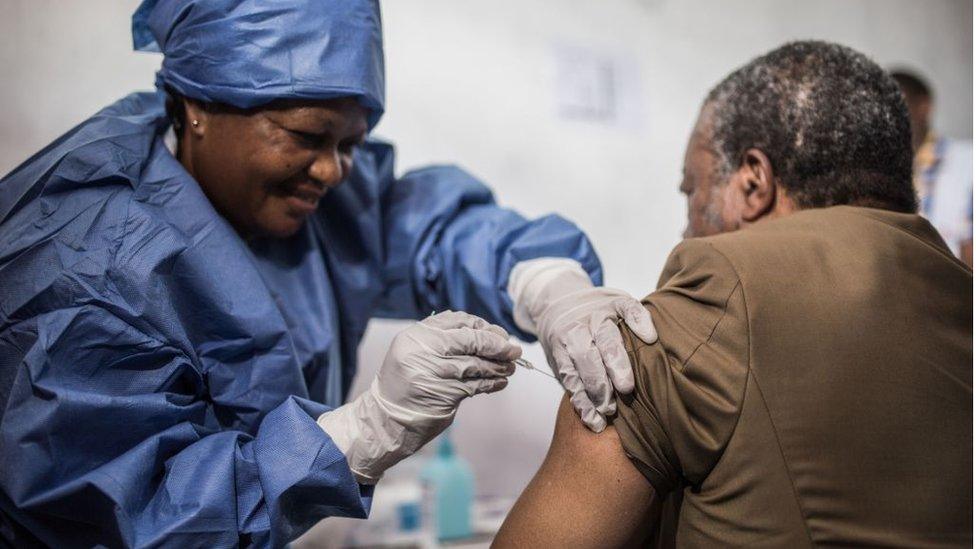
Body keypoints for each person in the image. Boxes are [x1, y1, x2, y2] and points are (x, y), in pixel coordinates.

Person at [0, 1, 656, 546]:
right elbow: (134, 519)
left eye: (352, 142)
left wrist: (544, 281)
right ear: (199, 104)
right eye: (309, 136)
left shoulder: (314, 195)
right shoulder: (87, 271)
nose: (334, 171)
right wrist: (362, 431)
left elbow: (427, 226)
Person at [494, 41, 972, 547]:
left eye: (692, 189)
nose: (686, 229)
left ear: (752, 182)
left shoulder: (701, 317)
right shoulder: (959, 295)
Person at [891, 69, 973, 266]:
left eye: (897, 105)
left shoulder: (967, 160)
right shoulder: (875, 170)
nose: (889, 116)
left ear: (923, 106)